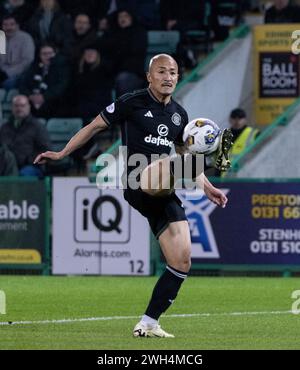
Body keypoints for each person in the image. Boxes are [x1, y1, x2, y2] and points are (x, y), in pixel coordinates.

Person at [34, 54, 231, 338]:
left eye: (173, 72)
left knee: (182, 260)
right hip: (139, 182)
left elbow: (183, 156)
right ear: (149, 76)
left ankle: (149, 323)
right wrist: (62, 152)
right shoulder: (131, 101)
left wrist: (207, 186)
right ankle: (210, 157)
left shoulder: (180, 115)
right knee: (164, 165)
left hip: (164, 190)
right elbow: (93, 127)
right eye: (161, 71)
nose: (168, 77)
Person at [0, 95, 51, 176]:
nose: (19, 109)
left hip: (30, 166)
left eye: (22, 105)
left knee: (23, 175)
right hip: (7, 165)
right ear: (12, 108)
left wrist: (28, 160)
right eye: (16, 106)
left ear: (28, 107)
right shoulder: (4, 127)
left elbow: (45, 149)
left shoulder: (37, 126)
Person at [19, 43, 70, 118]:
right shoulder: (33, 68)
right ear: (40, 55)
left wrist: (44, 97)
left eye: (50, 53)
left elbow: (61, 87)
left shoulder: (62, 69)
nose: (47, 56)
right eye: (44, 54)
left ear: (55, 54)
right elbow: (22, 84)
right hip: (31, 101)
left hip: (52, 102)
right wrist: (30, 96)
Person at [216, 108, 259, 177]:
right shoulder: (224, 135)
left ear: (245, 120)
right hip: (225, 176)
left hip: (244, 174)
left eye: (240, 118)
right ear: (230, 120)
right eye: (234, 118)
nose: (237, 121)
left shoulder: (254, 134)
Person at [0, 14, 35, 89]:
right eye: (5, 25)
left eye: (12, 24)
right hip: (2, 72)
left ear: (17, 25)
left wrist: (8, 73)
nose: (8, 27)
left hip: (20, 73)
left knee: (8, 83)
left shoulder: (25, 38)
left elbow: (27, 61)